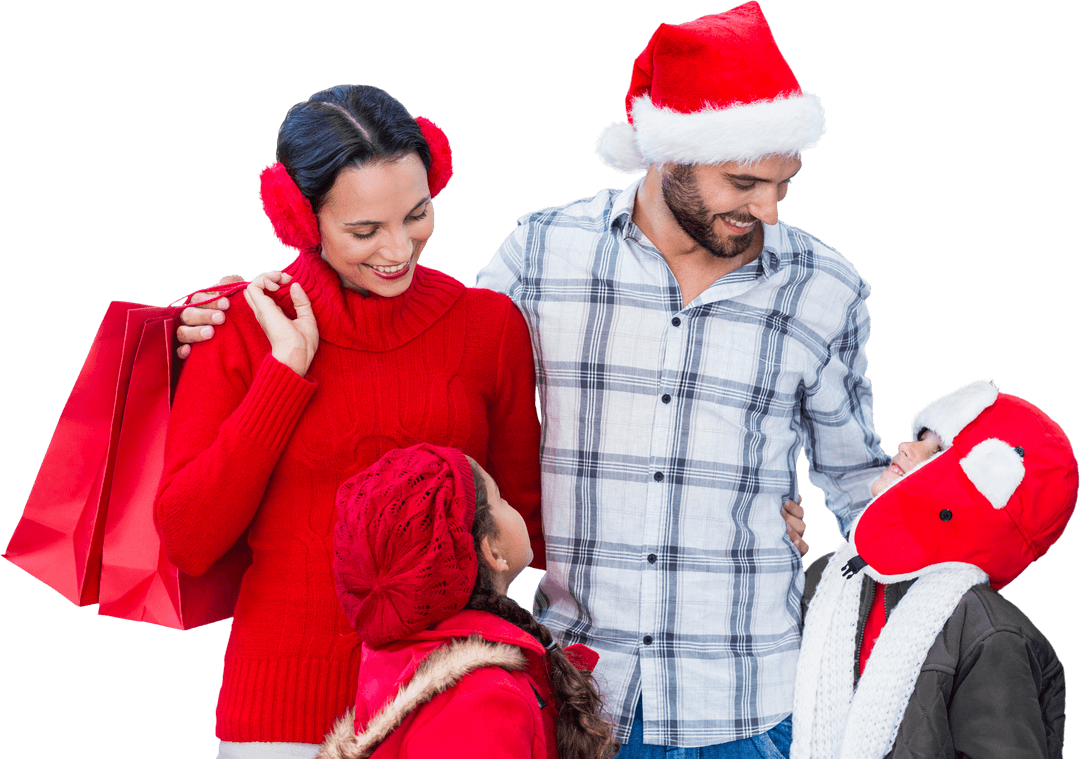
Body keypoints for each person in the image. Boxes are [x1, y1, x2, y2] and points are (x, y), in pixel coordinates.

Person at [178, 4, 868, 753]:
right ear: (669, 154)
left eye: (783, 183)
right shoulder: (541, 254)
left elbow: (857, 487)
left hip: (717, 702)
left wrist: (766, 502)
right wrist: (246, 345)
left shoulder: (824, 286)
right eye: (743, 181)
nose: (768, 208)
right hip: (518, 701)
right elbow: (194, 532)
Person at [153, 84, 546, 758]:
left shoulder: (489, 328)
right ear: (301, 219)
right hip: (279, 720)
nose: (398, 248)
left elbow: (524, 523)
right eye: (364, 231)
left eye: (417, 214)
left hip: (447, 710)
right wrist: (285, 373)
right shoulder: (239, 325)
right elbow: (188, 538)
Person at [793, 380, 1074, 758]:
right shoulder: (832, 578)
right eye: (919, 438)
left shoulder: (989, 634)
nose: (906, 447)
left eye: (937, 449)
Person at [315, 443, 617, 759]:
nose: (512, 507)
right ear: (493, 552)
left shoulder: (404, 662)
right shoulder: (483, 700)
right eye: (501, 499)